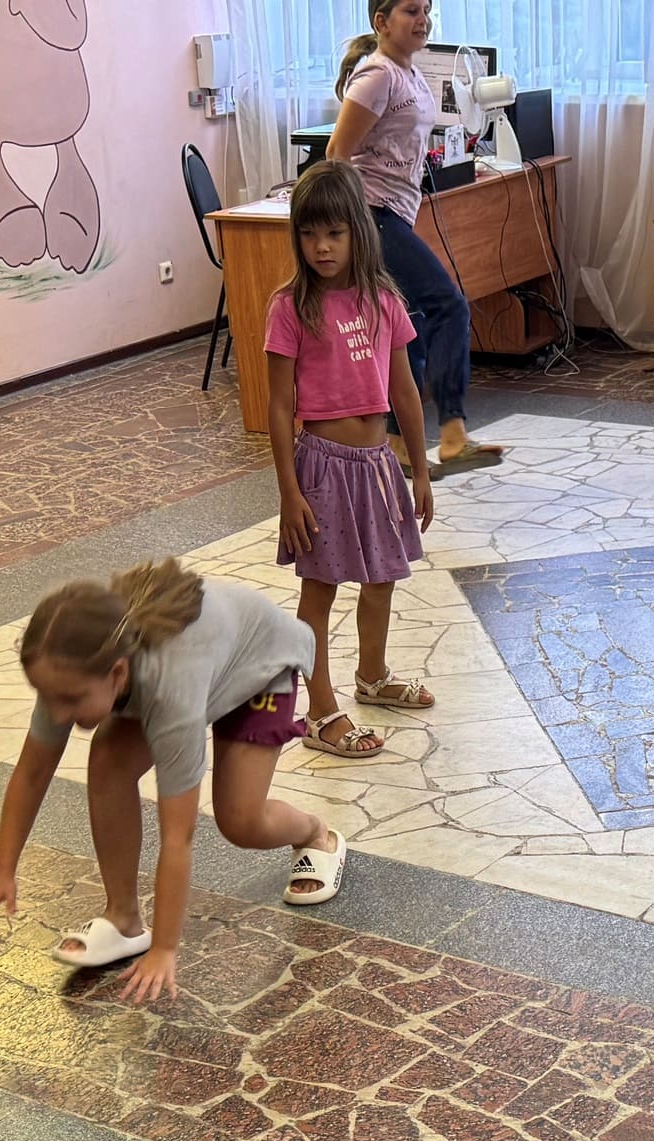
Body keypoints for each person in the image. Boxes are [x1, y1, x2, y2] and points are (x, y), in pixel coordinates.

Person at [0, 561, 348, 1002]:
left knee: (240, 821)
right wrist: (3, 870)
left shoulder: (170, 687)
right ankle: (123, 919)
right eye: (48, 697)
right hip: (203, 658)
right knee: (107, 760)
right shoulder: (68, 673)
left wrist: (165, 948)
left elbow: (178, 835)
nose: (58, 713)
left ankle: (316, 835)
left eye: (70, 700)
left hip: (259, 664)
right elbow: (31, 774)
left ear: (117, 674)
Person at [268, 161, 437, 739]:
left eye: (334, 233)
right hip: (322, 468)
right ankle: (319, 709)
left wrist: (419, 471)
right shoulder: (290, 307)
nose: (321, 246)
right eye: (309, 234)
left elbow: (404, 391)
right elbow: (279, 407)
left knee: (381, 577)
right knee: (320, 589)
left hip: (378, 465)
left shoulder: (384, 301)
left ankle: (372, 675)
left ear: (357, 233)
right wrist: (289, 492)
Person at [326, 0, 504, 478]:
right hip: (371, 216)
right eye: (410, 10)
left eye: (426, 9)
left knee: (412, 325)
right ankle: (453, 436)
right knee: (449, 307)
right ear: (381, 22)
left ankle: (397, 441)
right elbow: (336, 154)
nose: (423, 19)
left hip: (395, 215)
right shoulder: (377, 76)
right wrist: (348, 228)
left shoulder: (411, 74)